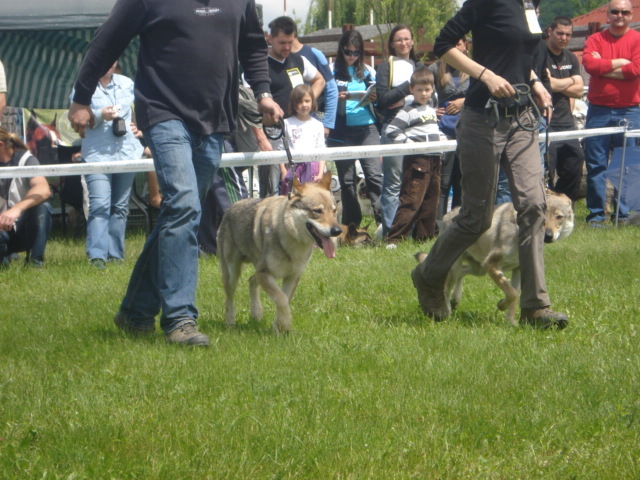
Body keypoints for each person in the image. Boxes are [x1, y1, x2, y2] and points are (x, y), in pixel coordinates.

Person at [68, 0, 282, 346]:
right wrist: (81, 98)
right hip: (163, 112)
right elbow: (106, 41)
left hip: (214, 120)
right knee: (184, 205)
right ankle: (180, 317)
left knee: (178, 215)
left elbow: (254, 45)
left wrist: (264, 93)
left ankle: (135, 312)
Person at [411, 0, 569, 330]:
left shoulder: (531, 4)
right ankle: (428, 276)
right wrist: (485, 75)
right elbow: (442, 45)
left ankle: (535, 307)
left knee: (534, 207)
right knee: (476, 217)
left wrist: (536, 82)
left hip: (522, 118)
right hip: (483, 119)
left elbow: (515, 53)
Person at [70, 61, 142, 269]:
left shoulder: (127, 83)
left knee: (120, 207)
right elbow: (75, 118)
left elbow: (143, 107)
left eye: (113, 60)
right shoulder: (83, 85)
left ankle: (116, 256)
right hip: (97, 155)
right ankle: (97, 257)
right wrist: (101, 115)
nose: (108, 64)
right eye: (105, 59)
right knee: (100, 205)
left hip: (127, 153)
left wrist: (141, 128)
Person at [582, 0, 640, 226]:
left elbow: (635, 70)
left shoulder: (637, 40)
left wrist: (603, 68)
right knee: (596, 166)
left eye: (624, 12)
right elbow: (589, 66)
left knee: (628, 165)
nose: (619, 16)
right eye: (614, 11)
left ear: (631, 14)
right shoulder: (595, 39)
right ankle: (596, 216)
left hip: (631, 110)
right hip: (599, 111)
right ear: (607, 15)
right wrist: (618, 63)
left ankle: (623, 215)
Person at [260, 16, 325, 198]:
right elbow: (248, 101)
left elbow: (320, 80)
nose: (287, 47)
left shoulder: (299, 60)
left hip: (300, 131)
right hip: (272, 133)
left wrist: (306, 102)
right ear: (270, 38)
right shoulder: (260, 65)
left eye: (290, 42)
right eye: (282, 43)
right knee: (274, 188)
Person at [328, 29, 383, 227]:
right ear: (340, 50)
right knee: (347, 181)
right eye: (347, 52)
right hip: (341, 131)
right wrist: (335, 98)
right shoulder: (330, 71)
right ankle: (350, 227)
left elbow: (378, 97)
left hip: (367, 127)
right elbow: (320, 99)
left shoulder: (368, 71)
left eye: (356, 52)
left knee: (374, 176)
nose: (351, 56)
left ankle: (382, 224)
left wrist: (375, 98)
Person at [385, 67, 445, 244]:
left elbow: (433, 131)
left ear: (432, 89)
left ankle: (423, 239)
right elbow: (391, 130)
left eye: (427, 89)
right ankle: (394, 240)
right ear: (412, 90)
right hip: (417, 160)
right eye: (419, 90)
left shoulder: (431, 109)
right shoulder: (407, 111)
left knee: (430, 202)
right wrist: (410, 145)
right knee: (411, 200)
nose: (424, 93)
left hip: (435, 159)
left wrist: (443, 141)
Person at [376, 25, 421, 237]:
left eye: (407, 39)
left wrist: (404, 97)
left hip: (418, 129)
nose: (403, 43)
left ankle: (411, 230)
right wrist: (408, 86)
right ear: (392, 44)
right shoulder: (386, 67)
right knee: (393, 184)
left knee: (414, 183)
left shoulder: (420, 66)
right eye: (399, 40)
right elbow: (384, 101)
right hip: (394, 129)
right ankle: (391, 234)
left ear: (412, 42)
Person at [544, 17, 586, 202]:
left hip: (567, 123)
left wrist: (557, 83)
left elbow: (578, 90)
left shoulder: (570, 57)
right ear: (550, 31)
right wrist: (570, 80)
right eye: (560, 33)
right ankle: (545, 208)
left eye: (568, 34)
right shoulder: (540, 54)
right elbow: (546, 84)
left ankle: (561, 203)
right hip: (546, 122)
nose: (564, 38)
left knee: (575, 165)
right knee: (547, 169)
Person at [428, 37, 469, 221]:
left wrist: (464, 102)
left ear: (465, 46)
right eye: (452, 43)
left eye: (459, 43)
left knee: (462, 182)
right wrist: (431, 111)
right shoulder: (436, 69)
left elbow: (485, 96)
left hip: (467, 131)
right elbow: (420, 91)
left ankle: (458, 223)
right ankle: (438, 225)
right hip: (443, 131)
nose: (456, 47)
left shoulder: (473, 68)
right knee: (442, 183)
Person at [0, 128, 52, 267]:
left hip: (21, 226)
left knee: (43, 208)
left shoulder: (26, 160)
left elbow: (43, 189)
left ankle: (35, 262)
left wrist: (16, 209)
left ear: (1, 144)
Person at [291, 28, 339, 137]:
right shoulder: (279, 57)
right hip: (288, 121)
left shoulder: (314, 54)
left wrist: (327, 124)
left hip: (311, 120)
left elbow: (331, 90)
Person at [279, 84, 326, 196]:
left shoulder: (318, 124)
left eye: (307, 101)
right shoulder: (286, 123)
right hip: (293, 167)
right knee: (293, 199)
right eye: (300, 102)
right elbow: (281, 149)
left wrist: (320, 173)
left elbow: (322, 150)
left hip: (314, 167)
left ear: (312, 102)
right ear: (293, 103)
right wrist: (283, 171)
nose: (304, 105)